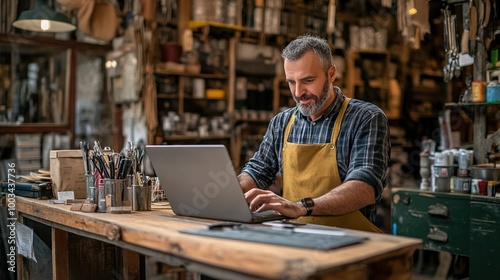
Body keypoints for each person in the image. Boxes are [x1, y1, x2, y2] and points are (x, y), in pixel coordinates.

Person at [238, 34, 390, 233]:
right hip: (297, 241)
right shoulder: (282, 122)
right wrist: (230, 191)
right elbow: (258, 171)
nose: (298, 92)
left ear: (331, 74)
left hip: (352, 246)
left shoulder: (366, 118)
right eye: (291, 82)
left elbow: (364, 187)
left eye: (307, 80)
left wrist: (300, 207)